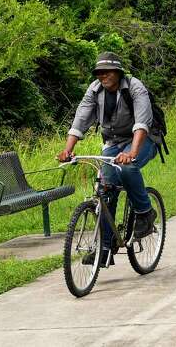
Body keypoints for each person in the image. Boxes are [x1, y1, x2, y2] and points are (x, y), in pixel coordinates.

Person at [57, 52, 159, 268]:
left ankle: (144, 213)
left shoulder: (134, 87)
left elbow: (142, 123)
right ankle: (105, 248)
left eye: (107, 72)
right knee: (106, 188)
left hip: (144, 139)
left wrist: (132, 152)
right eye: (99, 73)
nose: (103, 76)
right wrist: (68, 150)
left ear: (118, 72)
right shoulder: (94, 90)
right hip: (113, 142)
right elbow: (81, 119)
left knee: (127, 168)